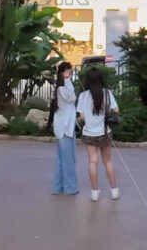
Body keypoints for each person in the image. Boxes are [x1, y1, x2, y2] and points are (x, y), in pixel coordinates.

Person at [77, 67, 120, 201]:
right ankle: (114, 191)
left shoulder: (83, 96)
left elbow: (82, 117)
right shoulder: (107, 93)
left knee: (92, 162)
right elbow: (116, 110)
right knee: (107, 161)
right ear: (101, 79)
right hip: (104, 133)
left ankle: (95, 192)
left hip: (89, 133)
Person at [50, 61, 78, 196]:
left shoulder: (63, 87)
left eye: (70, 70)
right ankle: (69, 188)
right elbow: (72, 97)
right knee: (68, 160)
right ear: (62, 74)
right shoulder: (62, 88)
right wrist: (67, 80)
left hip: (66, 127)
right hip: (65, 128)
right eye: (67, 70)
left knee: (62, 159)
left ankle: (59, 187)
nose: (70, 72)